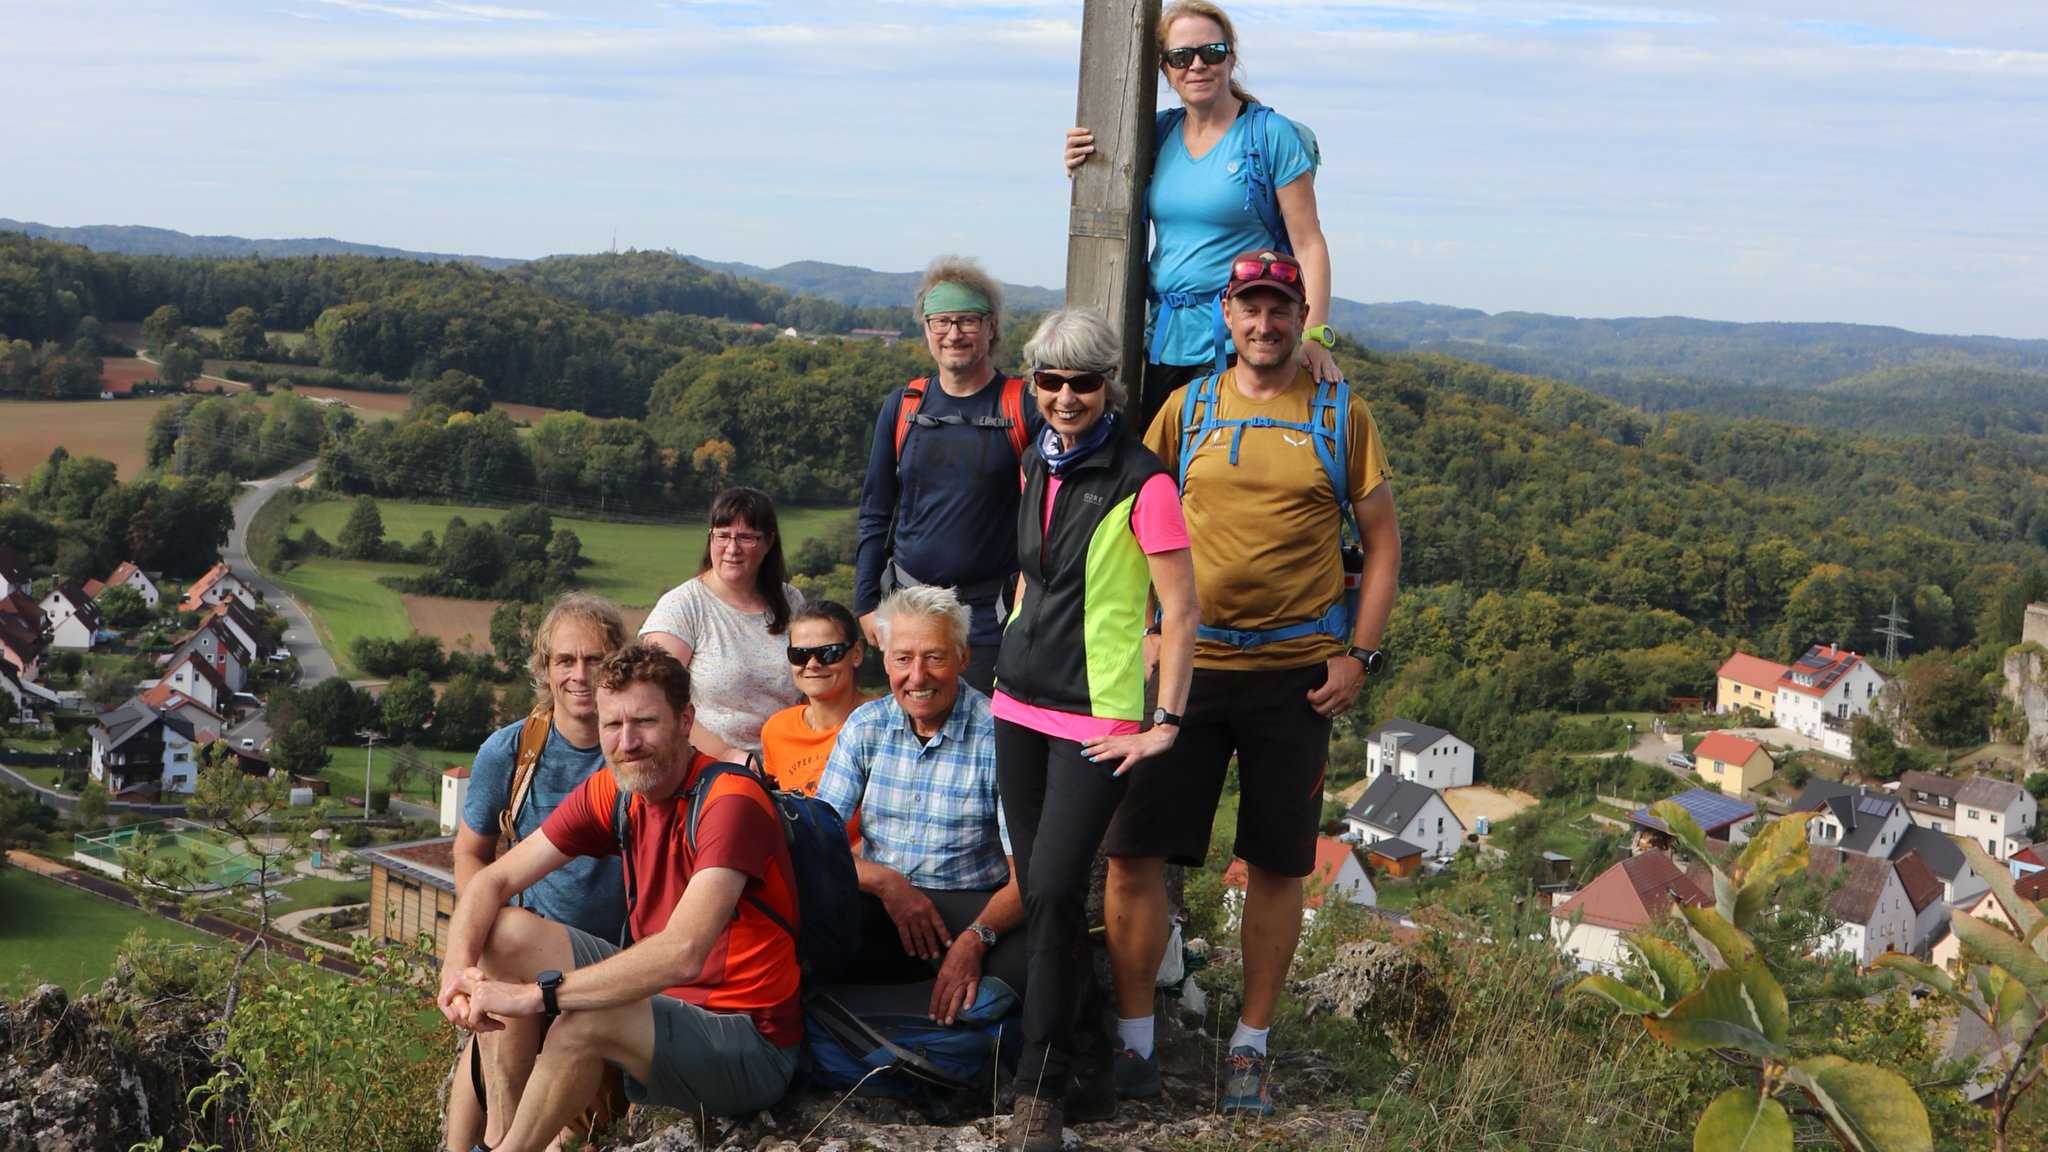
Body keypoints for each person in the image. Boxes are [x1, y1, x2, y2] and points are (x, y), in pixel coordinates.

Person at [1103, 250, 1400, 1115]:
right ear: (1226, 318)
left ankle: (1251, 1048)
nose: (1264, 324)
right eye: (1249, 309)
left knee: (1277, 864)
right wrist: (1143, 636)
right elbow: (1124, 521)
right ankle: (1133, 1043)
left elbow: (1381, 544)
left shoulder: (1342, 410)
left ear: (1301, 315)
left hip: (1294, 679)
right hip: (1184, 677)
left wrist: (1361, 657)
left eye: (1279, 309)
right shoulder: (1186, 408)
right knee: (1133, 854)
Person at [437, 644, 801, 1152]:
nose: (627, 742)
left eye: (645, 722)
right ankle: (501, 1133)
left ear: (684, 720)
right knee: (505, 932)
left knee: (583, 1021)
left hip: (745, 1040)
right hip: (664, 1005)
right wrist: (457, 971)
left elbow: (682, 951)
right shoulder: (618, 791)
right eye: (613, 725)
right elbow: (490, 882)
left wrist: (533, 996)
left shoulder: (729, 803)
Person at [990, 309, 1198, 1150]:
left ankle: (1038, 1088)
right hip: (1016, 703)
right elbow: (1026, 578)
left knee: (1052, 889)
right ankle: (1090, 1065)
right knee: (1040, 894)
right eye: (1050, 381)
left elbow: (1182, 612)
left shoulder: (1145, 482)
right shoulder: (1033, 464)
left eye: (1084, 381)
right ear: (1033, 384)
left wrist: (1166, 723)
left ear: (1109, 383)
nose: (1066, 397)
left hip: (1094, 716)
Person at [1064, 0, 1338, 425]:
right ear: (1165, 69)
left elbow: (1308, 242)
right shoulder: (1155, 134)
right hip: (1163, 341)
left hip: (1239, 343)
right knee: (1159, 473)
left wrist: (1316, 335)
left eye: (1211, 52)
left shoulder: (1269, 135)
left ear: (1231, 57)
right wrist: (1081, 160)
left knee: (1222, 471)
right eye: (1180, 56)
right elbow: (1110, 171)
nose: (1197, 65)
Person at [445, 592, 631, 1152]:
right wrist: (483, 927)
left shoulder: (634, 744)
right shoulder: (510, 752)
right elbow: (469, 853)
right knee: (500, 958)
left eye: (595, 660)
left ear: (616, 663)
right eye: (564, 661)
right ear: (544, 669)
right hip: (531, 939)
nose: (579, 675)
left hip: (618, 948)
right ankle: (490, 1140)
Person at [815, 585, 1027, 1026]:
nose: (917, 677)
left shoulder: (999, 737)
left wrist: (975, 939)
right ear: (886, 661)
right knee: (799, 947)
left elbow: (1027, 876)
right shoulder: (866, 725)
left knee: (985, 1000)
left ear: (963, 658)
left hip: (975, 909)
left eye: (934, 657)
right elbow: (816, 845)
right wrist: (885, 883)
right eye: (903, 659)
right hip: (880, 907)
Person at [854, 257, 1046, 694]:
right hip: (907, 611)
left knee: (980, 743)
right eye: (940, 321)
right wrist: (866, 602)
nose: (953, 334)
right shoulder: (904, 407)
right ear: (926, 328)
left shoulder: (1024, 408)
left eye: (967, 321)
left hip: (989, 619)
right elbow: (875, 510)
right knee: (914, 734)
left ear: (992, 327)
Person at [642, 486, 805, 762]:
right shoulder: (682, 605)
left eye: (745, 537)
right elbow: (657, 698)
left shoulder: (792, 601)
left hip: (791, 761)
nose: (732, 548)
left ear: (768, 542)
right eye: (722, 536)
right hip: (709, 766)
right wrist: (729, 755)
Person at [758, 599, 869, 839]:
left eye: (828, 653)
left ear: (856, 654)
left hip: (866, 868)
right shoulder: (777, 729)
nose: (813, 664)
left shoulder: (881, 721)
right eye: (799, 655)